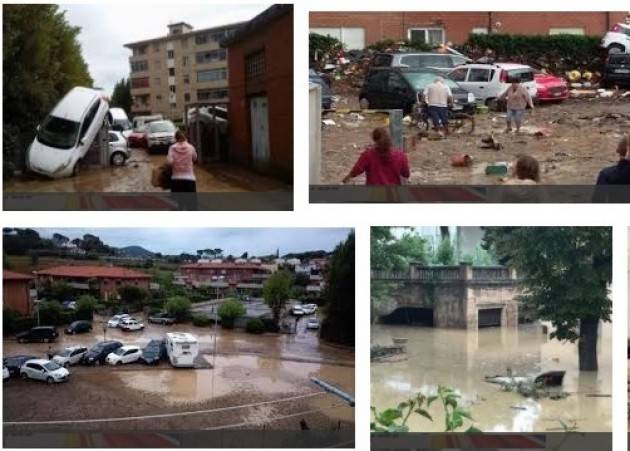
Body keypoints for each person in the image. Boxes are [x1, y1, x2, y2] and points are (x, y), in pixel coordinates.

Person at [343, 127, 409, 185]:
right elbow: (406, 174)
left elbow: (356, 171)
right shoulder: (401, 155)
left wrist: (345, 179)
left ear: (374, 140)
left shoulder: (368, 155)